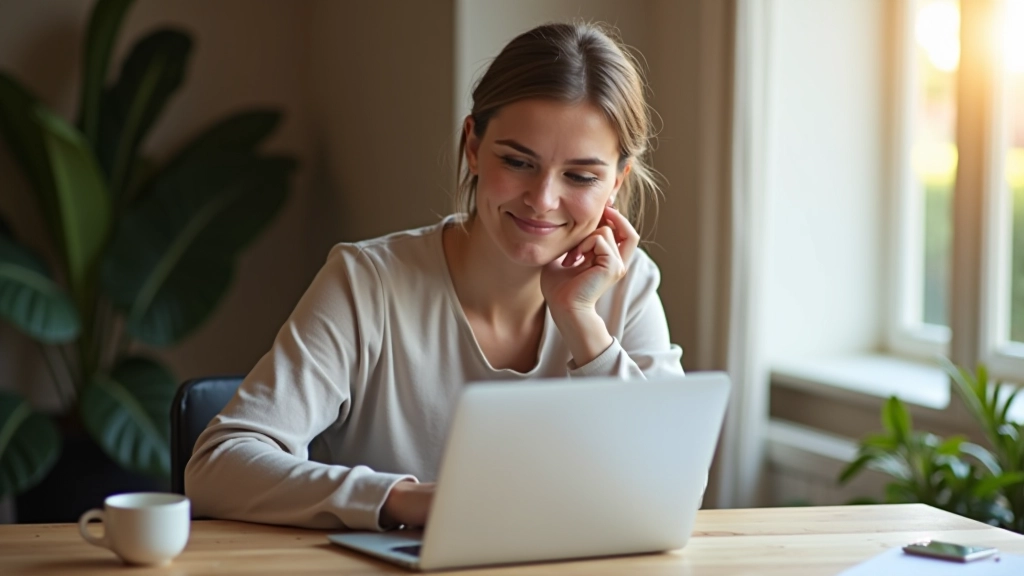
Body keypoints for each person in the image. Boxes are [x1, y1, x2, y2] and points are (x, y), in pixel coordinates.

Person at [185, 21, 684, 531]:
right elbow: (217, 466)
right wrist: (405, 500)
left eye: (580, 176)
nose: (543, 200)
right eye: (517, 161)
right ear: (473, 145)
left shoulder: (629, 285)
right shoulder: (367, 283)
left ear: (616, 183)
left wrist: (583, 323)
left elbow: (671, 484)